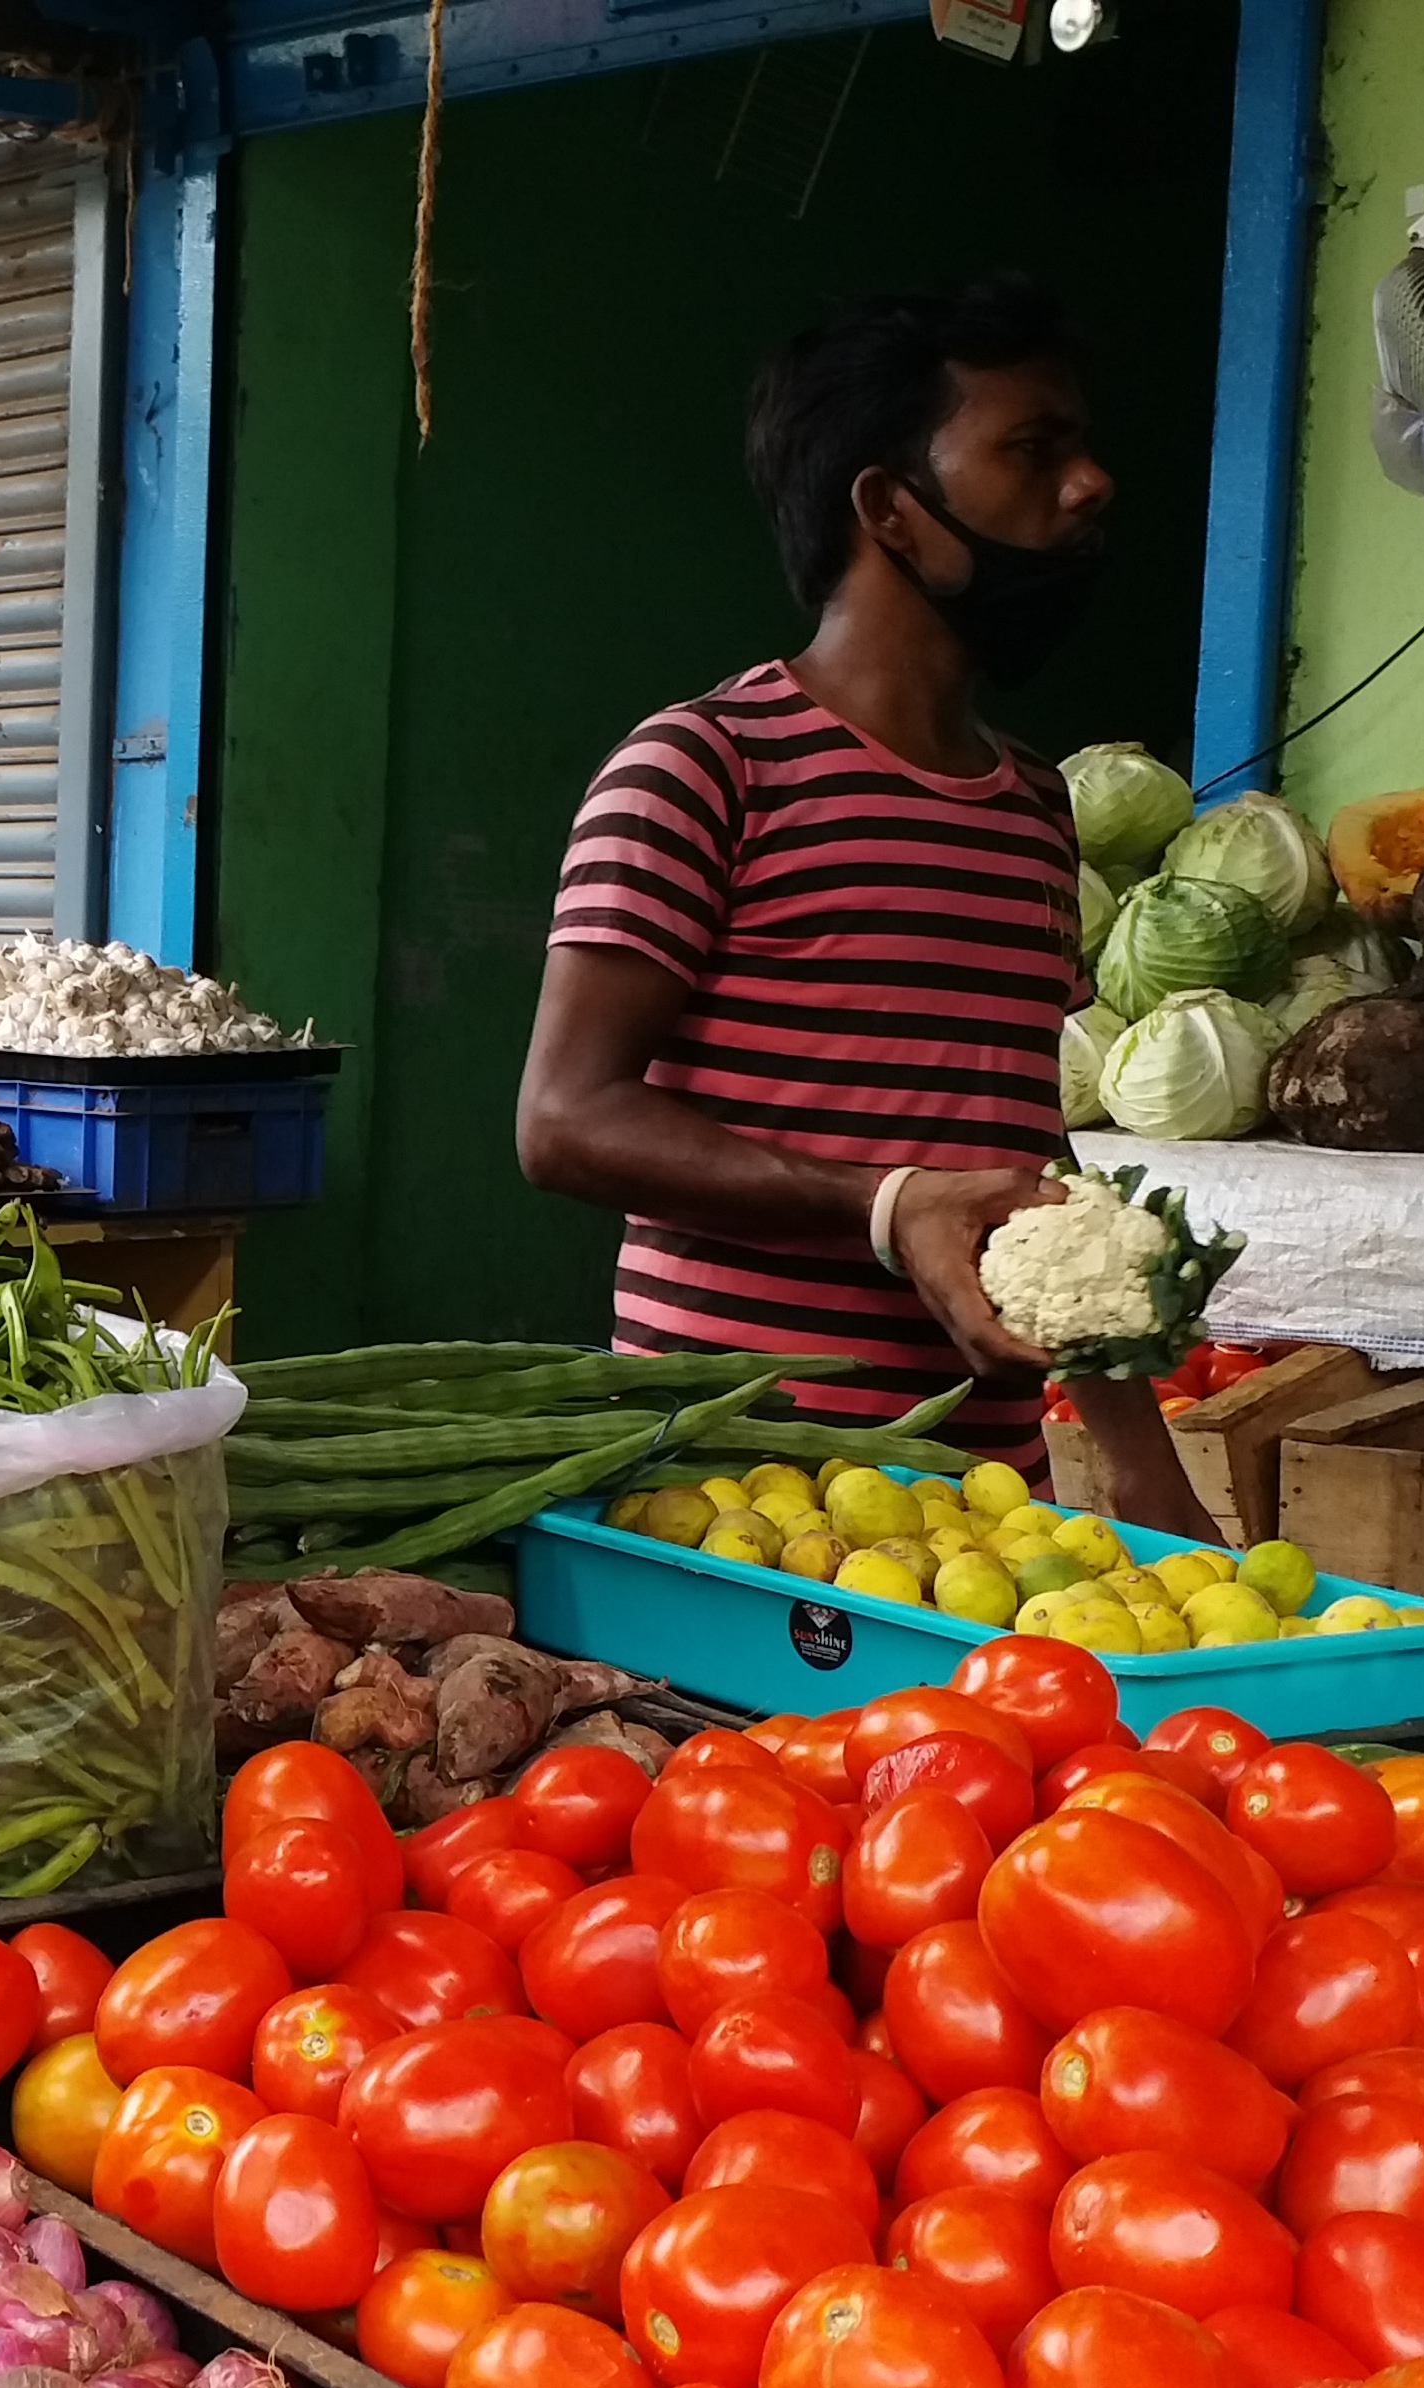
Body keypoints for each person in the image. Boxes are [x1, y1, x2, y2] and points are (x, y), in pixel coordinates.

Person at [516, 276, 1216, 1539]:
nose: (1092, 483)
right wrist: (887, 1207)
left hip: (978, 1512)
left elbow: (1019, 1164)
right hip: (729, 1496)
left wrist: (1147, 1470)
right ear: (891, 508)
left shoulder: (1033, 809)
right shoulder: (704, 766)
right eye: (1033, 447)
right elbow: (563, 1122)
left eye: (1084, 445)